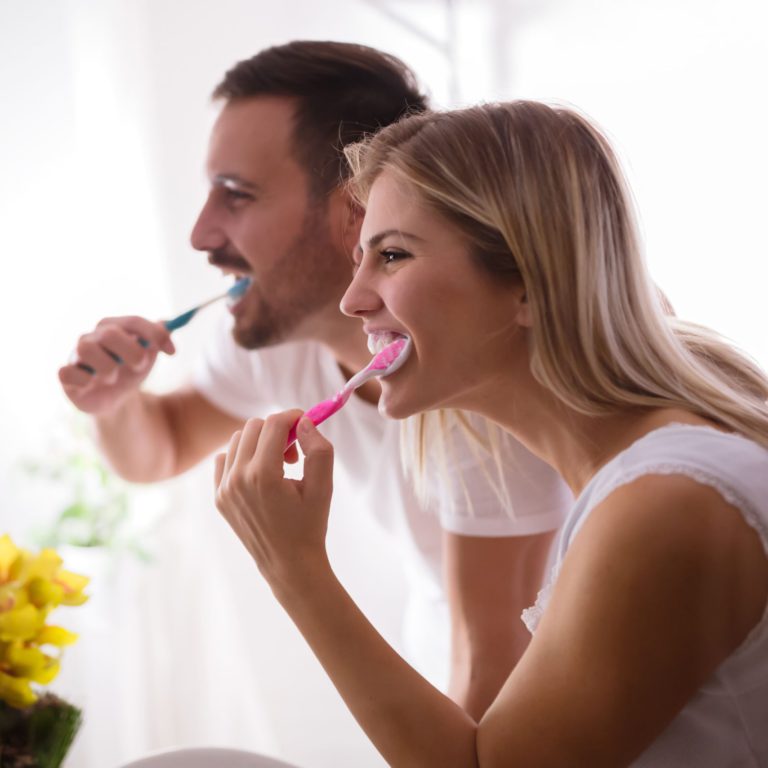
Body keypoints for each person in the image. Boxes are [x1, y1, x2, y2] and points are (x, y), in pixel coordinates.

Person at [212, 100, 768, 767]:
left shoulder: (666, 505)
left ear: (532, 284)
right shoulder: (648, 473)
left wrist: (294, 567)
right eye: (361, 258)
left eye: (391, 255)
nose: (353, 298)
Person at [57, 42, 571, 716]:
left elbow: (495, 665)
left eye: (236, 195)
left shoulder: (477, 382)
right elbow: (164, 445)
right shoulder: (281, 327)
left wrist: (291, 566)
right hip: (440, 669)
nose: (201, 233)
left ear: (357, 210)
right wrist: (116, 404)